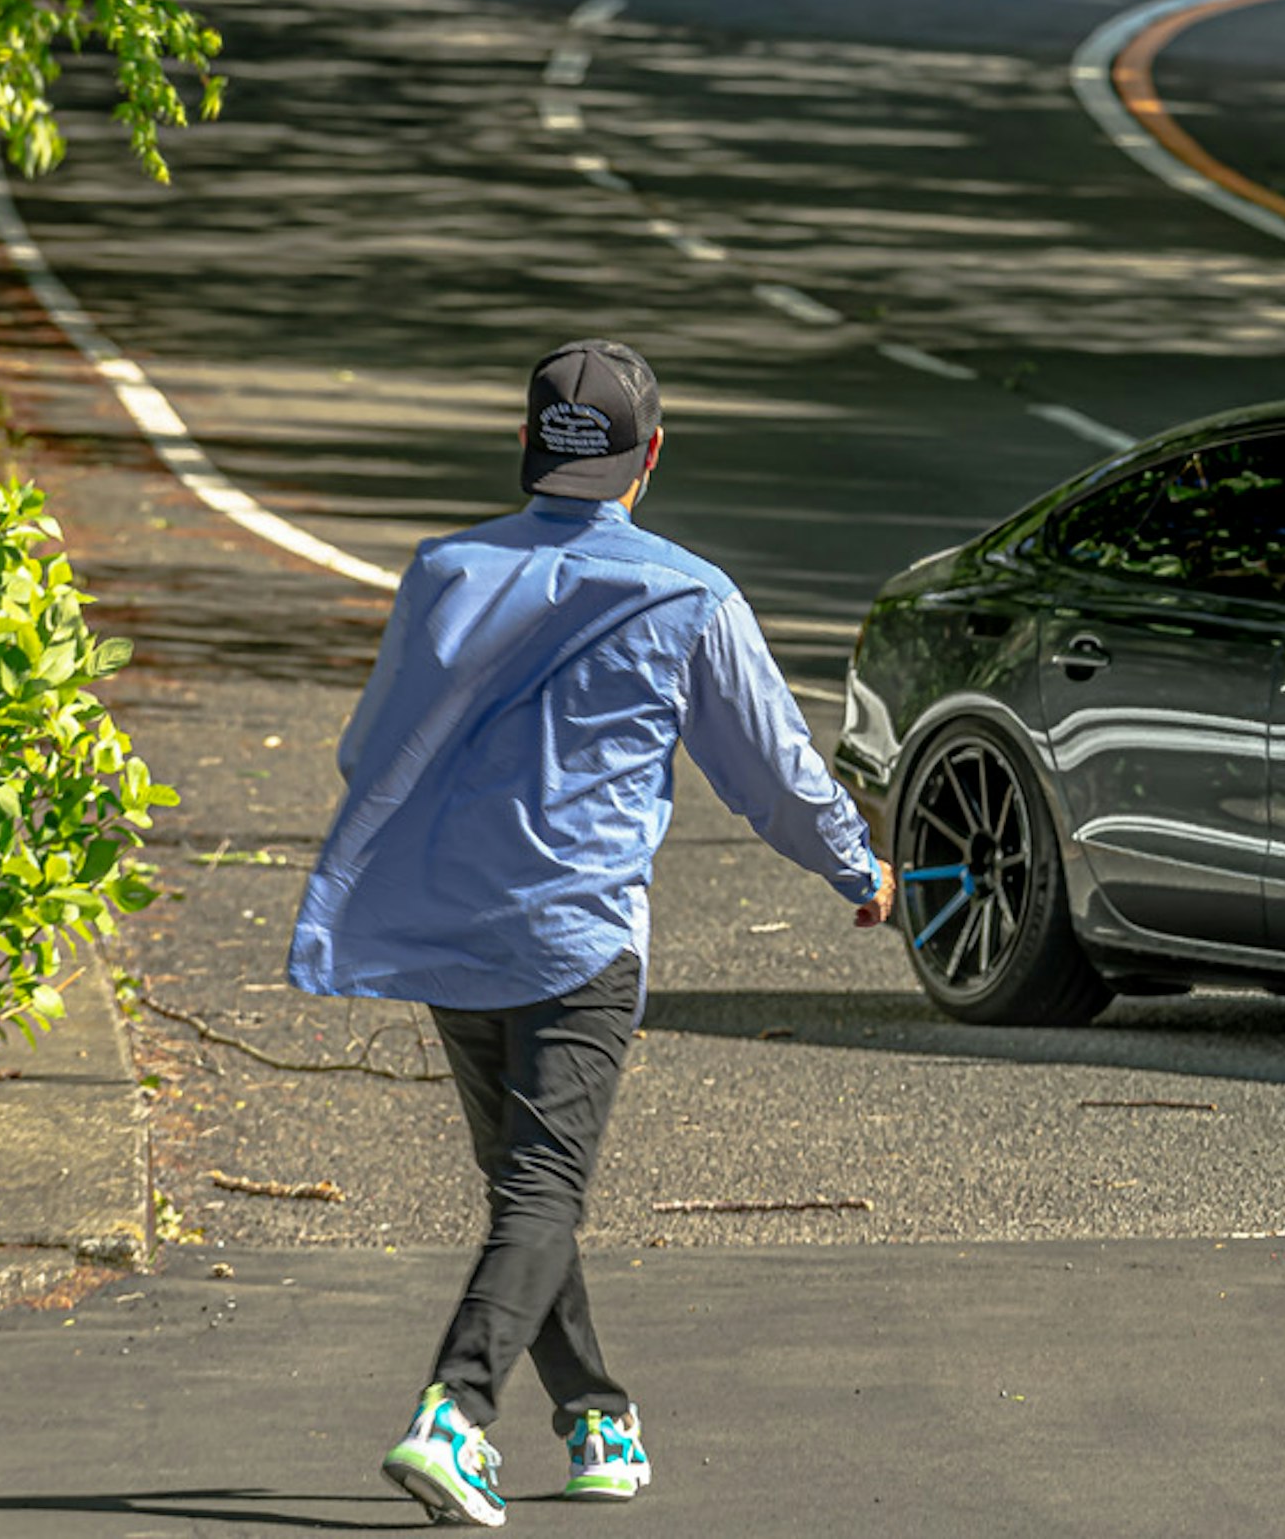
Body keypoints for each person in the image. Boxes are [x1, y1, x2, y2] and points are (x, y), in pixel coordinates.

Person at [288, 338, 895, 1527]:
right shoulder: (686, 593)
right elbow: (770, 774)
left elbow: (371, 744)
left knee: (525, 1186)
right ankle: (453, 1414)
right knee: (542, 1188)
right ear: (647, 459)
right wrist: (855, 867)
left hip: (452, 925)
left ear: (524, 444)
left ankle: (596, 1416)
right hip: (576, 938)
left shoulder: (442, 571)